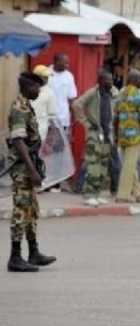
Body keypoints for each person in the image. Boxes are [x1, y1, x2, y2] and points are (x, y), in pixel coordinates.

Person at [7, 72, 57, 272]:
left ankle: (33, 252)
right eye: (36, 87)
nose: (38, 90)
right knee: (21, 211)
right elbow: (18, 141)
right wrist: (31, 170)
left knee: (31, 211)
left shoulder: (27, 105)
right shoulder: (19, 108)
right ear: (27, 87)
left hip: (28, 166)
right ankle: (15, 257)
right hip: (21, 169)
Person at [72, 70, 118, 207]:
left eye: (111, 79)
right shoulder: (92, 93)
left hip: (107, 133)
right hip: (94, 133)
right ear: (100, 81)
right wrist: (86, 123)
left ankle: (97, 194)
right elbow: (76, 105)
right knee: (93, 165)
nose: (110, 82)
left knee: (103, 165)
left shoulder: (113, 93)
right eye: (107, 80)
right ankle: (89, 195)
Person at [114, 69, 140, 203]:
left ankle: (139, 192)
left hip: (122, 134)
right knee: (129, 165)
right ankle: (122, 195)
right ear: (133, 80)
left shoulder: (120, 94)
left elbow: (116, 117)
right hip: (134, 136)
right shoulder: (139, 95)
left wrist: (116, 135)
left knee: (128, 164)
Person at [48, 53, 78, 135]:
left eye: (68, 63)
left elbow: (71, 98)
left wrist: (75, 115)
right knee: (47, 146)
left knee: (61, 146)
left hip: (63, 119)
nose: (67, 65)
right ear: (56, 62)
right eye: (65, 63)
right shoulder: (46, 73)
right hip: (47, 120)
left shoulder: (69, 76)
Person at [31, 65, 58, 140]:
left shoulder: (49, 94)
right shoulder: (28, 90)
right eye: (44, 77)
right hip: (28, 133)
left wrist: (51, 138)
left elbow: (52, 117)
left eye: (47, 77)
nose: (47, 79)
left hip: (42, 134)